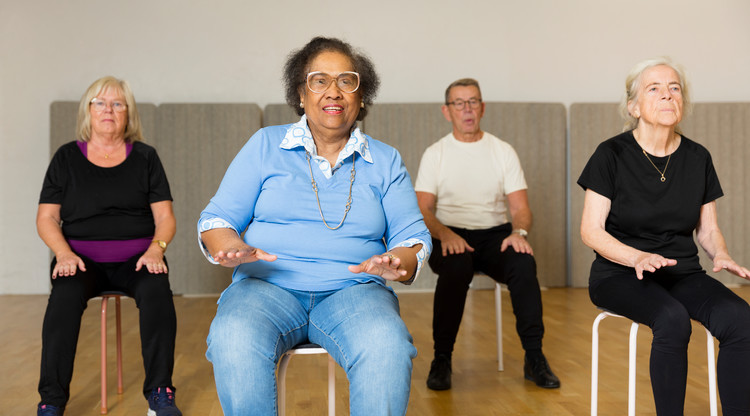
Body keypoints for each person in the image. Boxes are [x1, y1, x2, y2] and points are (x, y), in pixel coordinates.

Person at [198, 36, 431, 416]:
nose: (333, 91)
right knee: (233, 337)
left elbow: (413, 237)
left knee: (387, 343)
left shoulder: (386, 161)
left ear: (361, 95)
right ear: (301, 94)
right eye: (319, 80)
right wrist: (229, 246)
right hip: (265, 288)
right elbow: (217, 219)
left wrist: (397, 260)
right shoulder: (264, 145)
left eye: (346, 80)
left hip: (354, 291)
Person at [579, 58, 750, 415]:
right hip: (620, 274)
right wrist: (636, 257)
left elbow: (708, 229)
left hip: (681, 273)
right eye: (654, 88)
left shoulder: (697, 157)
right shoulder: (610, 155)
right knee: (671, 319)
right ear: (634, 106)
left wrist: (720, 253)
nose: (667, 95)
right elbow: (591, 231)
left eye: (675, 88)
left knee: (740, 319)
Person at [36, 76, 182, 416]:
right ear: (88, 110)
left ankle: (160, 393)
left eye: (118, 104)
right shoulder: (66, 158)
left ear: (128, 113)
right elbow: (46, 219)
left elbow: (166, 218)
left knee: (158, 292)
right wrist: (63, 253)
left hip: (138, 259)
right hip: (80, 260)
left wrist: (156, 248)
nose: (109, 110)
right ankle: (51, 400)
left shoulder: (146, 157)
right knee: (63, 300)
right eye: (100, 102)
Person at [414, 78, 560, 391]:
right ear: (446, 111)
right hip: (450, 234)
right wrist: (445, 234)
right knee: (457, 267)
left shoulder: (502, 151)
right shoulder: (435, 153)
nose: (467, 109)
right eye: (459, 103)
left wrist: (519, 232)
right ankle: (442, 358)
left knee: (523, 264)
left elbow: (521, 209)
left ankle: (534, 357)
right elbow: (423, 210)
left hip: (496, 235)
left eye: (473, 102)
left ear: (483, 108)